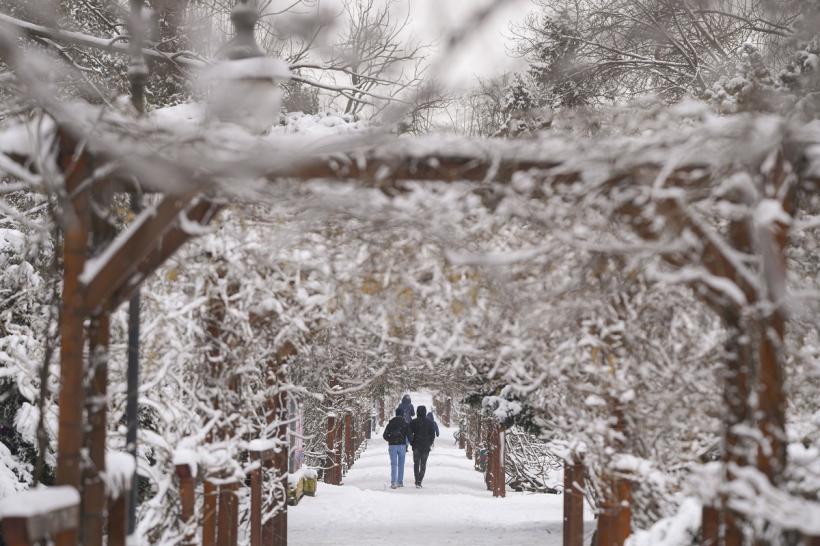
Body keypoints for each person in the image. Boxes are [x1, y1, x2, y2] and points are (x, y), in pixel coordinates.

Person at [383, 408, 412, 489]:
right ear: (403, 414)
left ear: (396, 413)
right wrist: (411, 442)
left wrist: (390, 440)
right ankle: (400, 482)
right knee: (401, 464)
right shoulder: (405, 423)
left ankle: (393, 483)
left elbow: (385, 435)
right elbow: (409, 436)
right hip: (402, 446)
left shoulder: (391, 423)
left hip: (392, 446)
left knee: (394, 464)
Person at [409, 405, 436, 487]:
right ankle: (420, 480)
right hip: (426, 446)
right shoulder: (430, 423)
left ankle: (417, 480)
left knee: (416, 463)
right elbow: (432, 435)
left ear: (417, 412)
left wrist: (412, 442)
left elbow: (409, 433)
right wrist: (429, 443)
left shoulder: (413, 422)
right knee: (423, 464)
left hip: (416, 445)